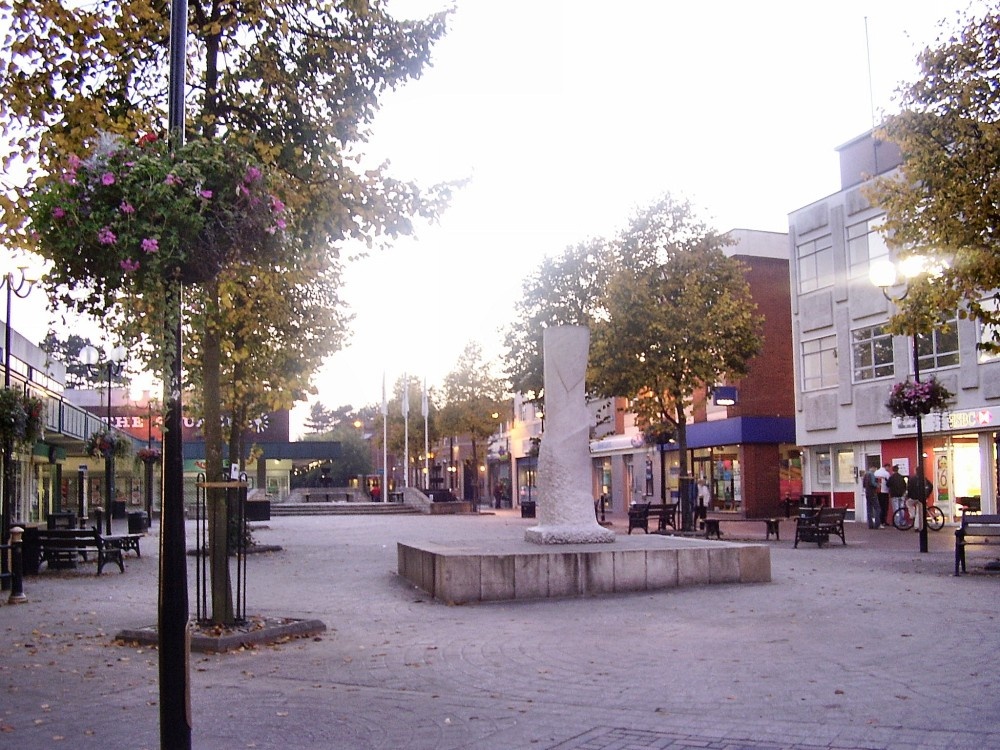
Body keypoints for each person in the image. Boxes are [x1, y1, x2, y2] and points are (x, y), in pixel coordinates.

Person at [873, 462, 892, 528]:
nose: (889, 469)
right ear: (886, 467)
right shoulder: (886, 473)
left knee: (878, 507)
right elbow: (889, 483)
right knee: (884, 507)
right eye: (889, 467)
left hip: (877, 491)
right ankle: (883, 521)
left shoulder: (876, 472)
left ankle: (878, 521)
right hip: (884, 491)